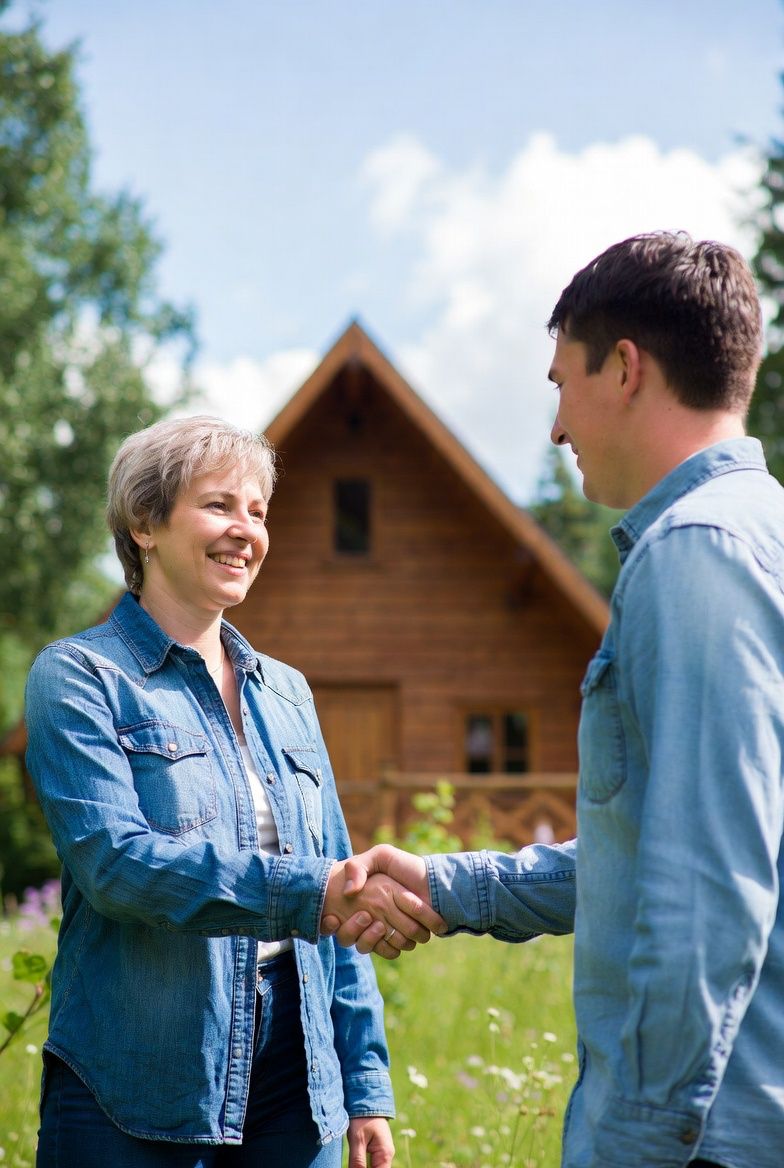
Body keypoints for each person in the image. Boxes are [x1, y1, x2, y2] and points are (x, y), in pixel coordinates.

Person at [326, 232, 784, 1168]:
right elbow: (665, 841)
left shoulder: (694, 551)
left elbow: (707, 887)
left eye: (558, 384)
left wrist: (633, 1141)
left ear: (624, 369)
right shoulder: (754, 535)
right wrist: (454, 888)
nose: (555, 427)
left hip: (703, 1138)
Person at [25, 415, 444, 1168]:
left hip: (298, 1074)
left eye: (259, 512)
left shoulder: (287, 692)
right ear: (145, 523)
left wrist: (365, 1083)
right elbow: (117, 867)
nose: (246, 530)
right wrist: (311, 893)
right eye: (220, 505)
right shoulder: (80, 677)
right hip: (136, 1073)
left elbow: (336, 871)